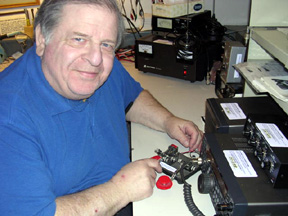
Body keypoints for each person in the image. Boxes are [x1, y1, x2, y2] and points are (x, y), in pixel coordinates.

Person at [0, 0, 203, 215]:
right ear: (42, 38)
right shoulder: (9, 118)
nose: (96, 59)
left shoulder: (105, 65)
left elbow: (131, 97)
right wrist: (120, 190)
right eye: (79, 39)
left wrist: (167, 121)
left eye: (106, 44)